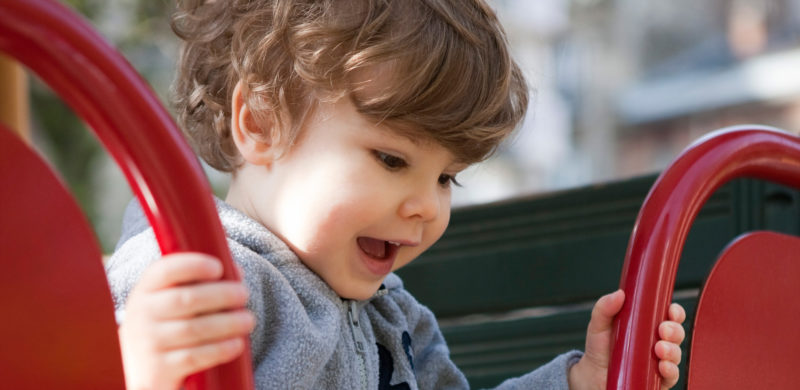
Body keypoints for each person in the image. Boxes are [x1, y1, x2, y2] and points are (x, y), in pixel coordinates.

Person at [107, 1, 686, 389]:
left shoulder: (396, 314)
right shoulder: (197, 277)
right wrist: (133, 370)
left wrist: (581, 380)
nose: (427, 206)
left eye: (445, 178)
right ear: (259, 122)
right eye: (391, 159)